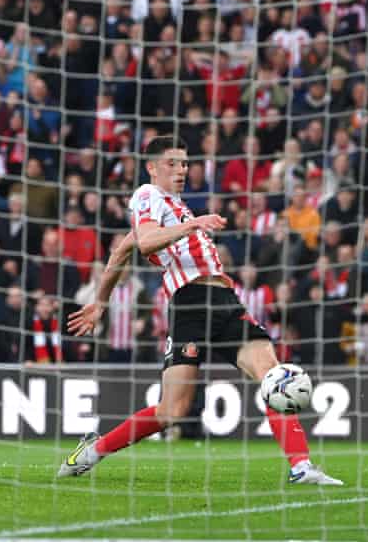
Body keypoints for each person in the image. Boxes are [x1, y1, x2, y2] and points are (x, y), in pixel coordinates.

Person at [57, 136, 342, 486]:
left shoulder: (177, 208)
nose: (181, 170)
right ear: (151, 167)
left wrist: (101, 301)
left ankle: (301, 466)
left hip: (225, 301)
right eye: (172, 163)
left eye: (184, 163)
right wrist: (192, 225)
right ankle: (92, 451)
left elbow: (122, 251)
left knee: (273, 375)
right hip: (190, 303)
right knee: (172, 411)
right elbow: (144, 242)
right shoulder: (148, 195)